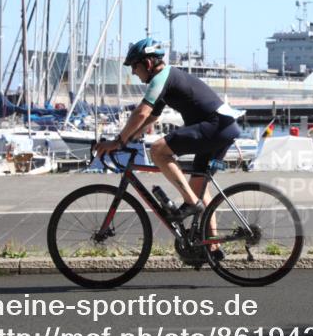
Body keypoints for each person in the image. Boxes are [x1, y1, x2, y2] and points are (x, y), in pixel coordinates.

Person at [94, 37, 242, 226]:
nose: (133, 72)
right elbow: (151, 118)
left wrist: (117, 142)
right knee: (198, 190)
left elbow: (141, 112)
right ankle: (209, 242)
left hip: (215, 127)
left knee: (157, 150)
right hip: (224, 128)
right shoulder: (168, 79)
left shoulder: (161, 77)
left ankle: (191, 204)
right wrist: (127, 139)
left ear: (148, 63)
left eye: (134, 66)